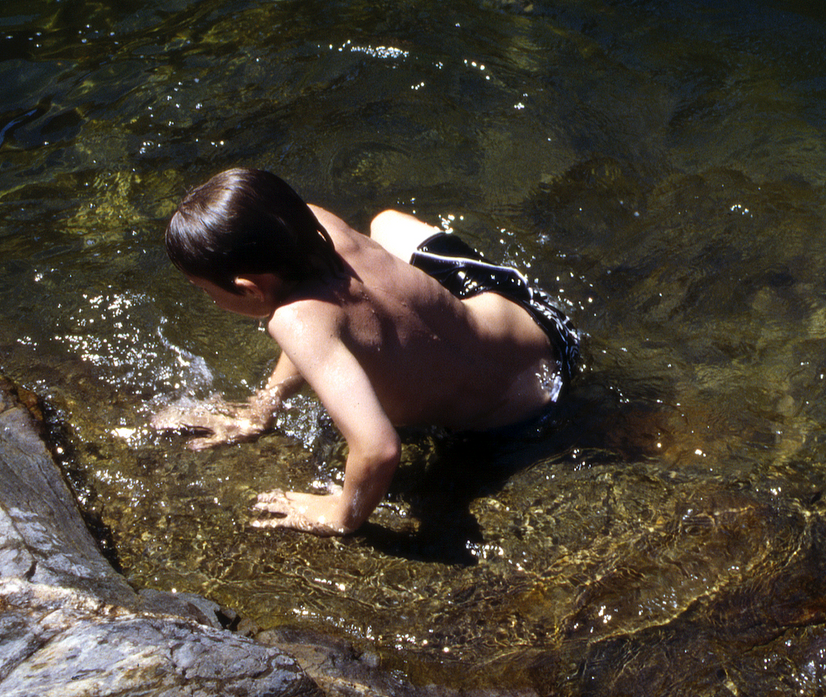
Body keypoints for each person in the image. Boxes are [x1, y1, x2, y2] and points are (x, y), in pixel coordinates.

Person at [152, 168, 581, 534]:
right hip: (537, 319)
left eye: (207, 293)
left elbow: (378, 449)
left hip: (524, 412)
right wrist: (266, 404)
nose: (211, 301)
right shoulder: (318, 225)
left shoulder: (296, 322)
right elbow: (321, 318)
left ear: (247, 288)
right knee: (386, 224)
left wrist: (339, 513)